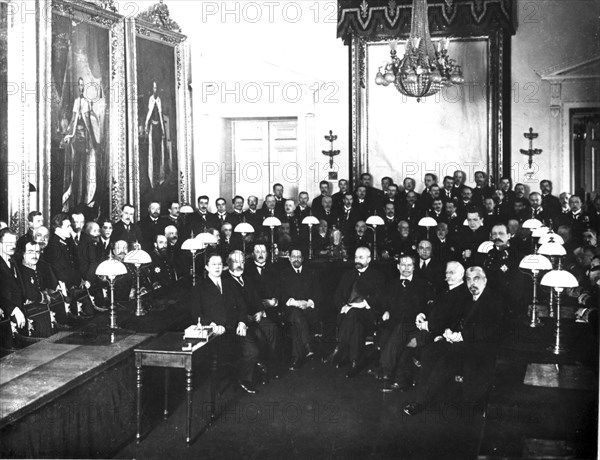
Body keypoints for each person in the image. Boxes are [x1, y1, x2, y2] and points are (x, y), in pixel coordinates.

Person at [403, 266, 503, 416]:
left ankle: (423, 402)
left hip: (481, 346)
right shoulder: (468, 298)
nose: (472, 284)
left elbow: (489, 330)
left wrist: (461, 336)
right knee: (429, 351)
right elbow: (457, 320)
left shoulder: (493, 300)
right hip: (461, 341)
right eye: (468, 280)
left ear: (485, 280)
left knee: (446, 359)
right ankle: (422, 399)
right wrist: (447, 333)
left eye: (476, 279)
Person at [189, 253, 259, 394]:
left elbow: (242, 306)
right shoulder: (200, 287)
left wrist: (241, 322)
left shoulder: (229, 284)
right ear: (207, 267)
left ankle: (243, 380)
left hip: (235, 328)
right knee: (225, 356)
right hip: (215, 332)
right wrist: (212, 325)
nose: (217, 267)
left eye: (220, 264)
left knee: (253, 351)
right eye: (213, 264)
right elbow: (196, 313)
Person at [326, 247, 385, 378]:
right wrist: (344, 306)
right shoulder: (348, 275)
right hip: (348, 313)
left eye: (362, 257)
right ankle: (355, 361)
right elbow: (337, 295)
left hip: (368, 313)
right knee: (356, 323)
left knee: (354, 314)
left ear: (369, 259)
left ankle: (340, 348)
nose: (358, 260)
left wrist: (362, 304)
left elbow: (380, 297)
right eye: (357, 257)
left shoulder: (377, 275)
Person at [224, 250, 281, 380]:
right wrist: (244, 319)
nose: (240, 264)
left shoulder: (248, 279)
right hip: (240, 321)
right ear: (229, 263)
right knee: (258, 335)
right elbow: (230, 307)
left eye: (242, 262)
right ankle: (253, 372)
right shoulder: (226, 282)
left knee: (272, 329)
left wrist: (260, 311)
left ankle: (270, 366)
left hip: (255, 316)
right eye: (236, 261)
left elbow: (256, 299)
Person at [61, 76, 102, 211]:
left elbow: (90, 123)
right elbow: (73, 120)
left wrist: (92, 141)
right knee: (75, 169)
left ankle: (86, 200)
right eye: (79, 85)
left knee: (86, 170)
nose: (81, 87)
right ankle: (74, 200)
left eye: (82, 85)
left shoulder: (87, 102)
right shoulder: (76, 101)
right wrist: (70, 134)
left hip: (86, 140)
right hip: (77, 140)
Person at [279, 248, 321, 370]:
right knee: (296, 315)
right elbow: (282, 295)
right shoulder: (283, 274)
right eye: (293, 256)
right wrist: (297, 303)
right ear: (290, 258)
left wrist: (308, 303)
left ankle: (297, 358)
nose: (296, 259)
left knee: (296, 324)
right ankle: (307, 346)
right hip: (291, 309)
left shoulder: (311, 273)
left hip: (308, 310)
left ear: (302, 258)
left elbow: (318, 293)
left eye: (299, 256)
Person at [144, 81, 168, 188]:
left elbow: (160, 114)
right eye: (154, 88)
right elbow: (149, 115)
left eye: (156, 88)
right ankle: (152, 177)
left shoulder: (159, 100)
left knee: (159, 153)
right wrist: (146, 127)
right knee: (152, 153)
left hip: (158, 129)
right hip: (152, 129)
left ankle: (159, 177)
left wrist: (162, 130)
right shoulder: (150, 100)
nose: (155, 90)